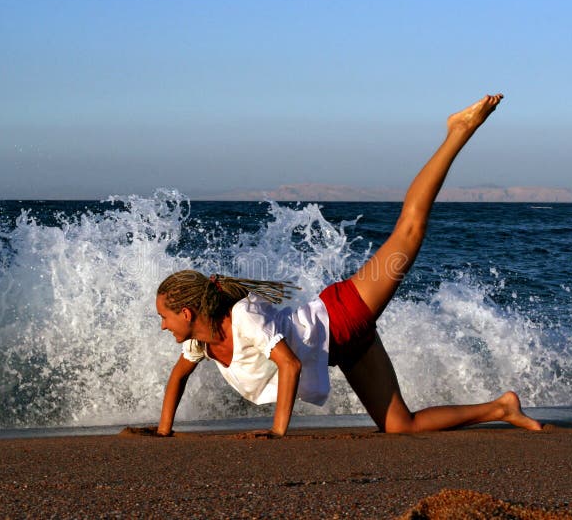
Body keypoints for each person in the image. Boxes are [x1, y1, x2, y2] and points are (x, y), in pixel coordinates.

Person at [153, 94, 543, 437]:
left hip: (343, 313)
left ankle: (458, 131)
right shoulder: (199, 341)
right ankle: (501, 408)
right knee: (399, 426)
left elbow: (289, 366)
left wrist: (277, 432)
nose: (163, 325)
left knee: (409, 229)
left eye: (164, 317)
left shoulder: (244, 317)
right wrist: (162, 431)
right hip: (344, 348)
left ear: (187, 312)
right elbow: (177, 378)